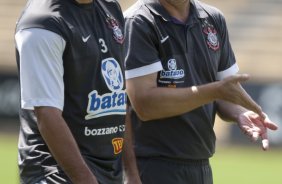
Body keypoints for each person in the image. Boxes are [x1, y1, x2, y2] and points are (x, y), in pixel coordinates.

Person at [122, 0, 279, 184]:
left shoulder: (212, 18)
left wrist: (240, 112)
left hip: (200, 166)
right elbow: (145, 104)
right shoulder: (138, 21)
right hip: (152, 166)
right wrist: (213, 91)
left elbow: (224, 90)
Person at [15, 0, 126, 183]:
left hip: (108, 173)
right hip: (56, 174)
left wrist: (130, 173)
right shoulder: (42, 24)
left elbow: (121, 99)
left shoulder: (110, 8)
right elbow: (47, 115)